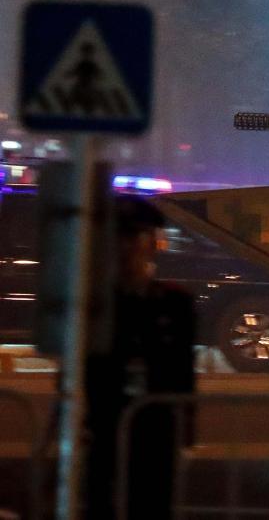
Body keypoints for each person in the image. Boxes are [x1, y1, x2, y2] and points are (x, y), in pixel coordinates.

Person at [84, 197, 196, 519]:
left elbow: (182, 374)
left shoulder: (175, 304)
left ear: (151, 244)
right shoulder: (96, 305)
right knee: (101, 504)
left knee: (152, 504)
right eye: (119, 238)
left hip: (157, 431)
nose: (126, 248)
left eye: (135, 237)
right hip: (105, 427)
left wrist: (187, 433)